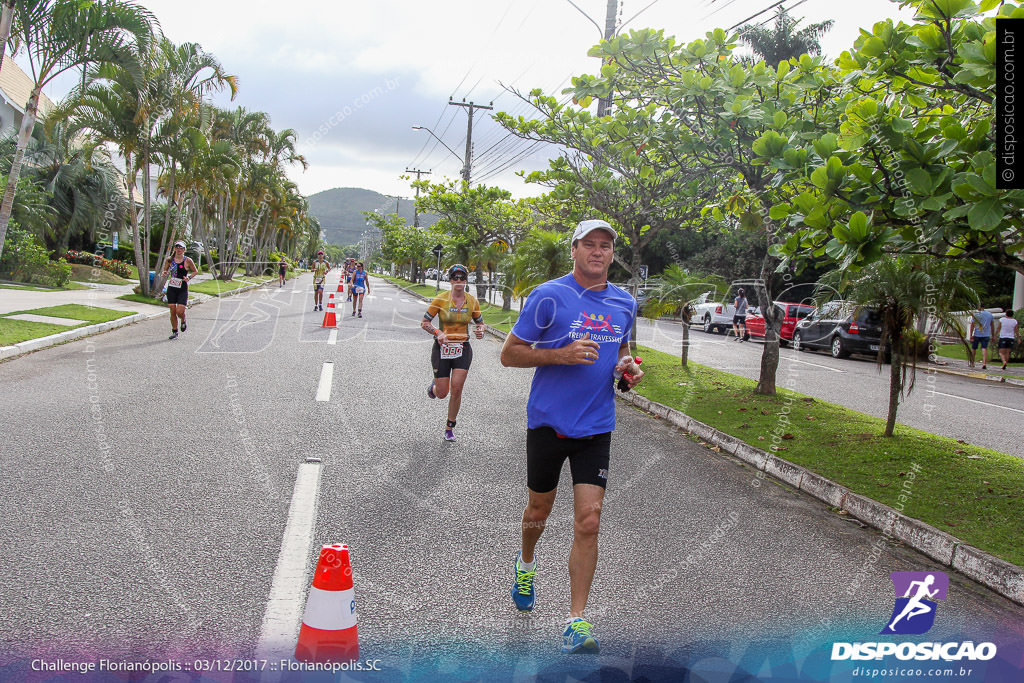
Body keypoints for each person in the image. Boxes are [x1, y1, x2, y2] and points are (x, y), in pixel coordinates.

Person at [499, 219, 643, 654]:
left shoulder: (624, 303)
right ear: (575, 250)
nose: (598, 252)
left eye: (605, 246)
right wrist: (559, 354)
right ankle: (526, 564)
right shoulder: (548, 296)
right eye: (590, 245)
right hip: (547, 421)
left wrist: (627, 367)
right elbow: (509, 354)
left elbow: (620, 349)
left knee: (589, 520)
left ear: (612, 254)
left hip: (596, 425)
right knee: (538, 510)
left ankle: (576, 620)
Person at [422, 264, 485, 441]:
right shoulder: (441, 299)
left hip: (462, 349)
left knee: (456, 389)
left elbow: (480, 322)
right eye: (455, 277)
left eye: (462, 277)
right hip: (442, 349)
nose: (459, 281)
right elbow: (425, 322)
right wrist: (438, 332)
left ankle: (450, 426)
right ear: (450, 280)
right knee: (443, 393)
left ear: (466, 280)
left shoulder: (472, 301)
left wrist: (481, 330)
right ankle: (433, 388)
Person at [160, 241, 199, 340]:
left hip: (182, 288)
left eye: (181, 248)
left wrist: (189, 278)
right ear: (175, 249)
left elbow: (195, 271)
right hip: (172, 288)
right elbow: (166, 270)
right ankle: (174, 331)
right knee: (172, 310)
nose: (179, 249)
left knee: (179, 311)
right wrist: (164, 273)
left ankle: (183, 319)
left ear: (184, 250)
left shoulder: (187, 260)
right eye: (177, 247)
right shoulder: (169, 260)